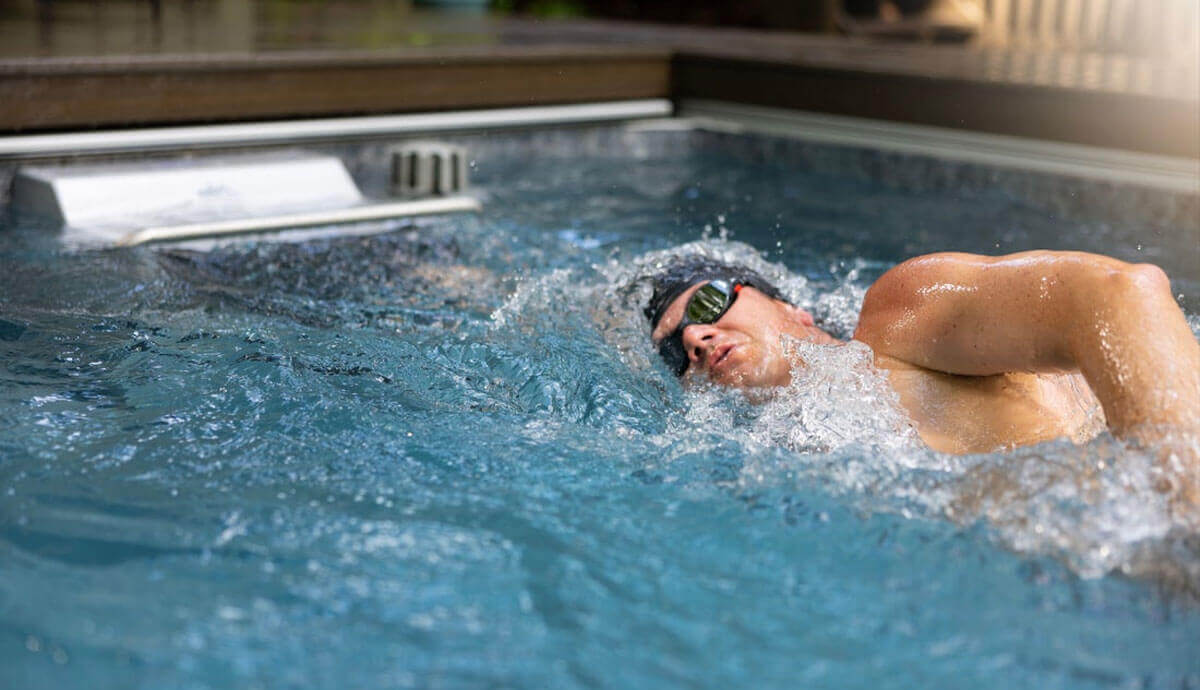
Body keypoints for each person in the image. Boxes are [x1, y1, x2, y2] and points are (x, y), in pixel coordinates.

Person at [644, 251, 1200, 488]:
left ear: (791, 308)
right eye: (675, 352)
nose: (695, 337)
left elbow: (1117, 296)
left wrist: (1181, 496)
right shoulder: (782, 467)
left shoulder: (898, 319)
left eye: (707, 303)